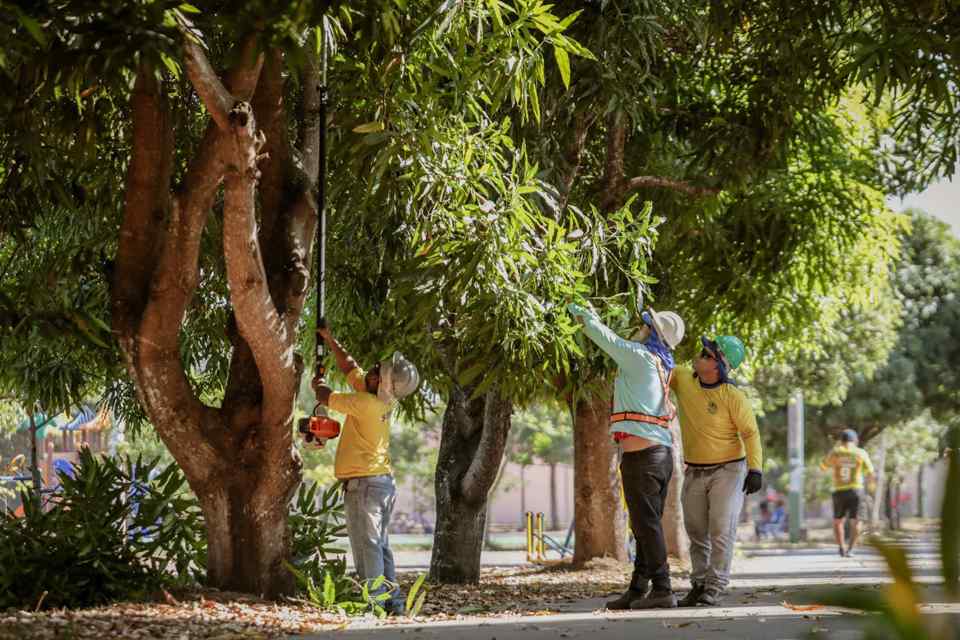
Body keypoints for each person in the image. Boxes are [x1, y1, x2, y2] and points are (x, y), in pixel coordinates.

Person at [567, 302, 685, 610]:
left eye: (645, 323)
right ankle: (639, 588)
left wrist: (582, 313)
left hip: (644, 459)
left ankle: (663, 588)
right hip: (658, 456)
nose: (640, 326)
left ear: (651, 332)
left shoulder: (639, 357)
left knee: (646, 525)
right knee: (646, 525)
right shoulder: (660, 364)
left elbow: (603, 336)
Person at [312, 325, 420, 616]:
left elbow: (324, 396)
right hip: (380, 484)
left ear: (381, 385)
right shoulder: (379, 399)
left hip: (365, 486)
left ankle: (374, 605)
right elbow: (351, 366)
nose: (371, 371)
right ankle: (392, 602)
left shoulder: (365, 404)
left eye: (376, 372)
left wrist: (317, 381)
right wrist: (330, 340)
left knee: (367, 545)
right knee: (379, 545)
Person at [672, 335, 763, 607]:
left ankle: (715, 585)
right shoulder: (682, 378)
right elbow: (653, 363)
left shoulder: (733, 396)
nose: (699, 355)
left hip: (729, 470)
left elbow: (750, 433)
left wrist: (755, 468)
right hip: (695, 470)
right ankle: (699, 584)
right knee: (696, 531)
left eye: (706, 353)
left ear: (718, 365)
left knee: (720, 529)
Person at [819, 429, 874, 557]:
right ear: (854, 440)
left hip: (839, 491)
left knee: (838, 521)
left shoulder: (836, 452)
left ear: (841, 441)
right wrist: (871, 487)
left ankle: (841, 547)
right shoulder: (860, 453)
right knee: (856, 520)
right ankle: (851, 549)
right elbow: (870, 472)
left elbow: (823, 467)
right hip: (856, 490)